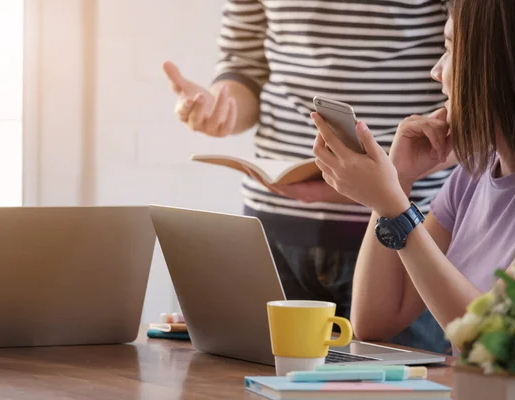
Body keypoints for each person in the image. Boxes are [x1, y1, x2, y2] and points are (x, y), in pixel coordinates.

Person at [163, 0, 456, 353]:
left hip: (405, 233)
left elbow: (480, 61)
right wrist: (219, 110)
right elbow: (244, 65)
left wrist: (379, 184)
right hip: (272, 229)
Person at [311, 0, 515, 344]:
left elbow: (497, 339)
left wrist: (394, 208)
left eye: (448, 50)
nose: (437, 71)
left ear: (499, 67)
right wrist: (398, 177)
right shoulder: (471, 178)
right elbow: (374, 321)